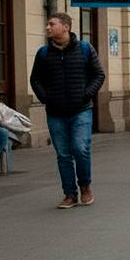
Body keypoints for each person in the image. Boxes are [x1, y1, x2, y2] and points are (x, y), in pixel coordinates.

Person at [30, 12, 105, 209]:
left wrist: (86, 94)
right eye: (47, 24)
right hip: (55, 113)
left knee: (80, 149)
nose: (47, 27)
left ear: (65, 27)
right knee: (63, 154)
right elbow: (35, 79)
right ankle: (69, 194)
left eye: (51, 24)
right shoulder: (43, 53)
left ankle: (85, 187)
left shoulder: (85, 49)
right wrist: (46, 98)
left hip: (81, 110)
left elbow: (99, 74)